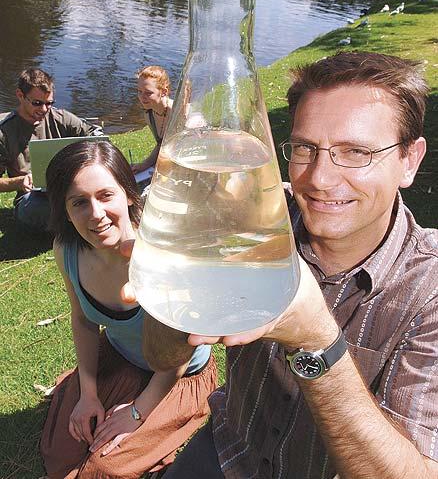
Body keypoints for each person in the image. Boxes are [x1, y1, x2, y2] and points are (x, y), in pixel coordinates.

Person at [124, 51, 437, 478]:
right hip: (229, 452)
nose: (320, 179)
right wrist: (174, 293)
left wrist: (317, 341)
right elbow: (161, 356)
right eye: (306, 148)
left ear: (410, 160)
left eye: (356, 152)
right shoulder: (251, 221)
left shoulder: (429, 290)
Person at [40, 140, 217, 479]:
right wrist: (88, 394)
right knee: (64, 450)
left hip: (176, 375)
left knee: (103, 466)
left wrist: (138, 411)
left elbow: (179, 353)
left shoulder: (158, 254)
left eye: (106, 195)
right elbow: (83, 321)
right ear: (64, 209)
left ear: (129, 194)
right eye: (79, 202)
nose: (95, 214)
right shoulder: (66, 251)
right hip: (120, 357)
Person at [0, 68, 102, 230]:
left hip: (68, 187)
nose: (44, 109)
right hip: (33, 197)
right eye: (37, 103)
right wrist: (19, 182)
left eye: (49, 103)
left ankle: (76, 217)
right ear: (20, 95)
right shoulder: (4, 131)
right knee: (34, 209)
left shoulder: (60, 118)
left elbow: (94, 135)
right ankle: (79, 219)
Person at [131, 65, 173, 177]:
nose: (142, 97)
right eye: (139, 91)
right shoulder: (149, 114)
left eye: (148, 93)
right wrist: (144, 164)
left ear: (163, 92)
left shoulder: (177, 113)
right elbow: (161, 145)